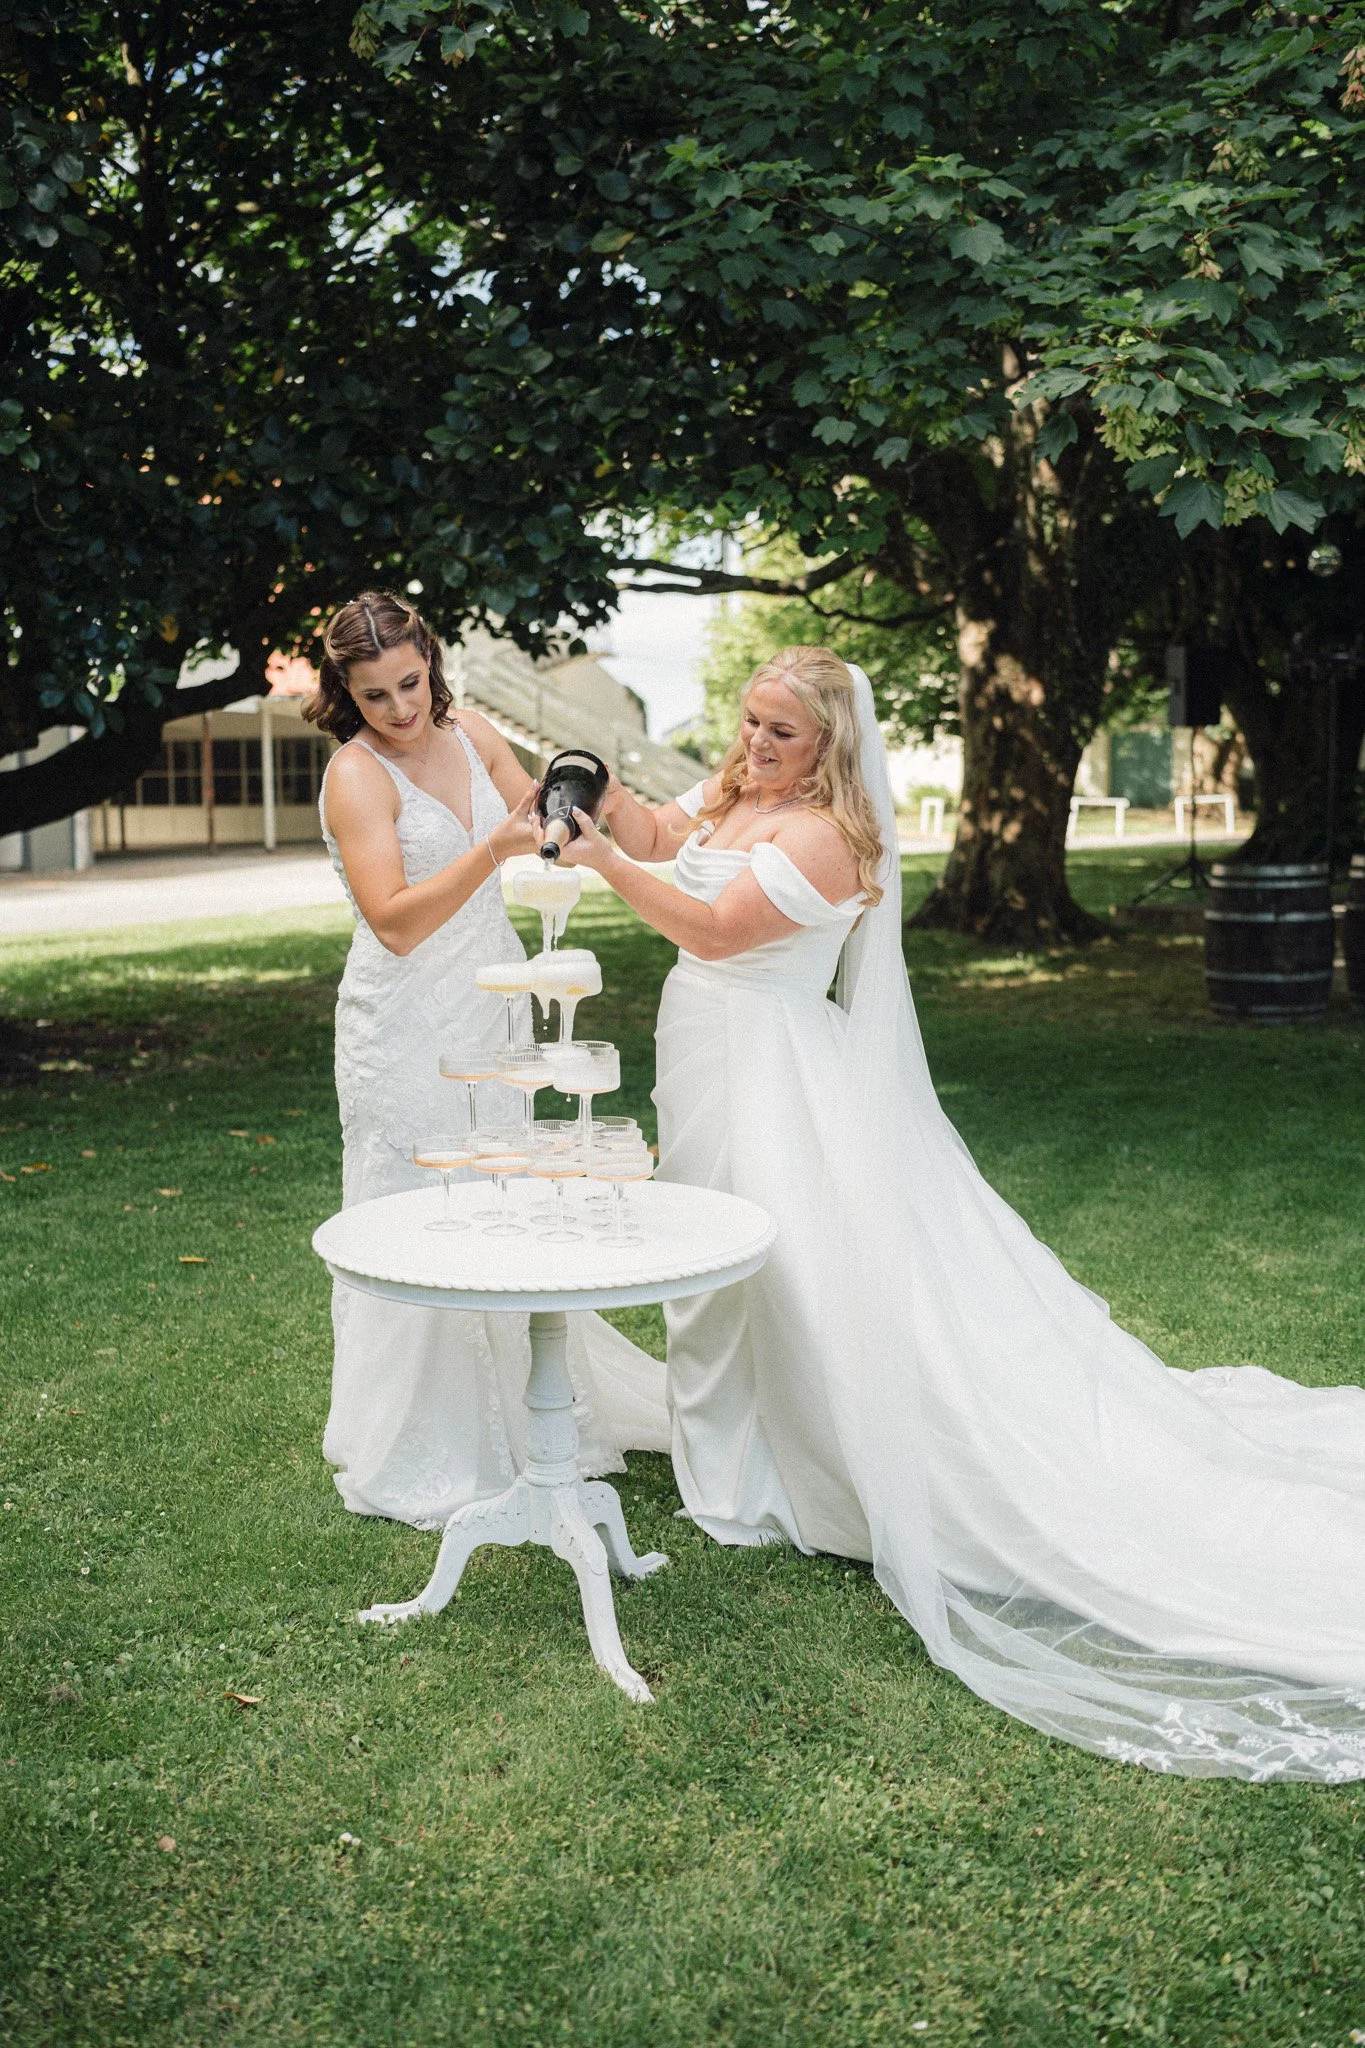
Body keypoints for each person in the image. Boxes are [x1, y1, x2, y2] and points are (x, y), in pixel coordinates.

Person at [557, 644, 1365, 1782]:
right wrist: (600, 802)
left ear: (832, 741)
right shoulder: (739, 788)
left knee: (782, 1265)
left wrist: (597, 864)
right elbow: (654, 833)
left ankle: (779, 1468)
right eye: (750, 721)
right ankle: (730, 1458)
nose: (756, 743)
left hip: (770, 1070)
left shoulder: (828, 835)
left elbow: (716, 929)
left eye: (782, 731)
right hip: (702, 1054)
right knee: (711, 1259)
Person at [311, 590, 667, 1527]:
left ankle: (531, 1414)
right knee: (421, 1205)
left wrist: (566, 814)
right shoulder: (356, 776)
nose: (400, 708)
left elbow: (533, 809)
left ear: (430, 661)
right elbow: (394, 923)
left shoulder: (470, 731)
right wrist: (493, 852)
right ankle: (422, 1439)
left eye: (410, 682)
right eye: (375, 694)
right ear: (346, 693)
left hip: (492, 996)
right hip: (403, 1020)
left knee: (502, 1190)